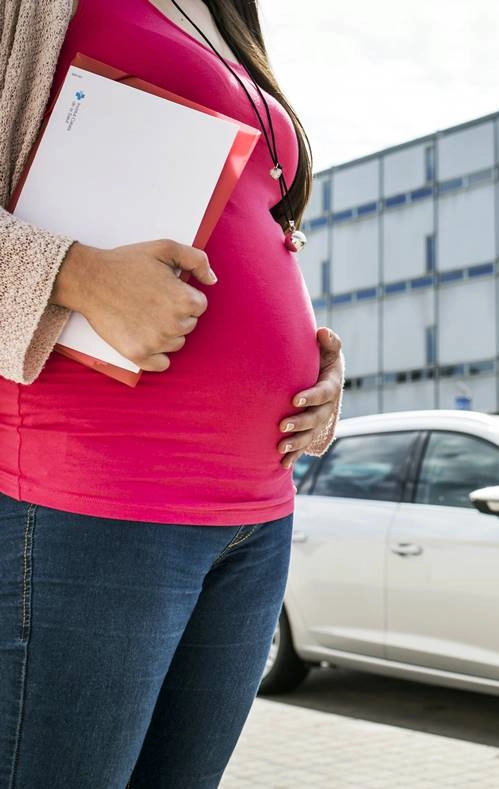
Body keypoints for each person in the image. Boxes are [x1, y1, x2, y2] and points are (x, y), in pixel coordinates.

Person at [0, 2, 343, 786]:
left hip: (256, 519)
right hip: (91, 502)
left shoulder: (227, 14)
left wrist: (319, 368)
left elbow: (252, 227)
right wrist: (75, 273)